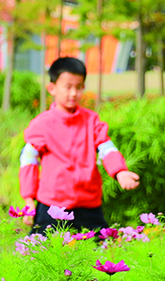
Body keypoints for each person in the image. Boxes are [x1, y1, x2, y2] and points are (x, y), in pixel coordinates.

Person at [19, 56, 140, 233]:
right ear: (52, 88)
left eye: (79, 87)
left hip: (88, 204)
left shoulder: (91, 121)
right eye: (68, 87)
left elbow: (106, 148)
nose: (74, 93)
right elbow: (29, 159)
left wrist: (120, 171)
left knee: (102, 251)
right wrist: (29, 198)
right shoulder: (42, 124)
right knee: (40, 252)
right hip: (52, 205)